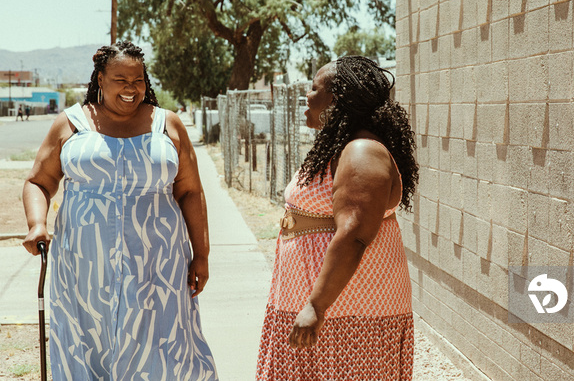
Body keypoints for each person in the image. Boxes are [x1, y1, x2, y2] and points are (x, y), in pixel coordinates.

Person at [22, 41, 218, 380]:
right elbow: (38, 181)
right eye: (120, 79)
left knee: (162, 347)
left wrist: (201, 254)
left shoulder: (167, 125)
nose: (131, 88)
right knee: (88, 341)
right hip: (84, 266)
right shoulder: (70, 124)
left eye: (138, 79)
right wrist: (36, 223)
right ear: (100, 78)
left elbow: (190, 191)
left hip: (158, 264)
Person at [256, 56, 419, 380]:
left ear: (337, 98)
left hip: (348, 309)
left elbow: (355, 233)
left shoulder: (362, 151)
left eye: (314, 88)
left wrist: (316, 306)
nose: (307, 95)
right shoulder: (342, 146)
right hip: (326, 305)